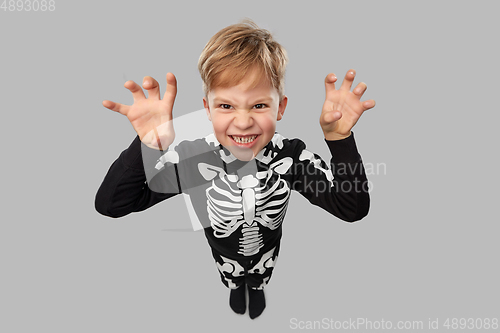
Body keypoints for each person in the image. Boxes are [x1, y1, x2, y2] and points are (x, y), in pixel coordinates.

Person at [95, 19, 375, 319]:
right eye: (226, 106)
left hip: (268, 247)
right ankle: (233, 285)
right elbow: (113, 205)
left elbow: (351, 209)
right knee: (228, 273)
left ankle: (257, 287)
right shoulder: (193, 159)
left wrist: (339, 140)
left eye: (259, 106)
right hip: (222, 252)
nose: (243, 122)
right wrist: (146, 145)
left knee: (262, 273)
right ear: (207, 109)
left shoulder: (290, 156)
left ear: (280, 107)